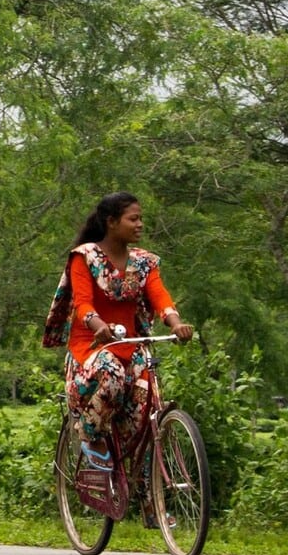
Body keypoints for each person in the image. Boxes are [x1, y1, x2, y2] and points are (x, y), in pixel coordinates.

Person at [40, 192, 193, 481]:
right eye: (133, 219)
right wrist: (98, 325)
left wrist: (176, 324)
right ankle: (90, 436)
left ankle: (153, 503)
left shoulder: (145, 262)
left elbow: (161, 297)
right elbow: (83, 303)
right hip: (91, 347)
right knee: (110, 372)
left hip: (131, 347)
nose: (140, 224)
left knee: (148, 410)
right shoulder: (84, 257)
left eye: (141, 218)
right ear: (111, 222)